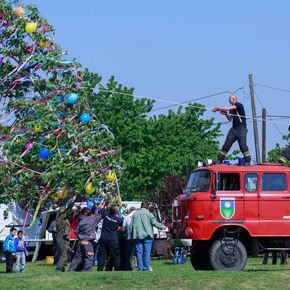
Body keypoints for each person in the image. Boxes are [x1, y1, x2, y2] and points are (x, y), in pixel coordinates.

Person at [212, 95, 251, 165]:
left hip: (242, 128)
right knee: (226, 145)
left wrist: (218, 108)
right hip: (234, 128)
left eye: (230, 99)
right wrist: (226, 114)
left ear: (234, 99)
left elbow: (227, 108)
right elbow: (230, 119)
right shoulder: (232, 109)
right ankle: (219, 160)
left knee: (242, 146)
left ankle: (248, 161)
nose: (229, 101)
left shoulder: (239, 105)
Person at [130, 201, 165, 271]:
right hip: (147, 235)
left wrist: (130, 235)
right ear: (147, 207)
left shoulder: (135, 214)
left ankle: (140, 267)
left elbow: (131, 226)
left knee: (139, 252)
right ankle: (147, 267)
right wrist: (162, 227)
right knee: (147, 252)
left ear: (141, 206)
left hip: (138, 235)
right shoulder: (149, 214)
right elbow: (155, 223)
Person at [69, 203, 102, 272]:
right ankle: (86, 270)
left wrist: (80, 237)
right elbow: (99, 216)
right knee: (89, 256)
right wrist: (98, 208)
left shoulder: (81, 221)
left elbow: (76, 231)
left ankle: (71, 270)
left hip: (81, 241)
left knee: (78, 257)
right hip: (88, 241)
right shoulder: (92, 220)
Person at [97, 205, 123, 271]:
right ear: (116, 211)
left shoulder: (106, 215)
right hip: (113, 240)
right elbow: (123, 228)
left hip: (103, 238)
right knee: (115, 256)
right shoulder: (119, 220)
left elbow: (101, 208)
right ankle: (117, 269)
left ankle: (100, 269)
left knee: (102, 255)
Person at [55, 196, 76, 272]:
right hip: (62, 237)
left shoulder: (60, 217)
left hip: (62, 237)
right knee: (64, 256)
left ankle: (62, 269)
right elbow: (69, 209)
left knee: (63, 254)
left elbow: (69, 212)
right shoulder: (61, 216)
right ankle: (59, 269)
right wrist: (72, 201)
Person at [121, 207, 136, 271]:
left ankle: (128, 267)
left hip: (129, 238)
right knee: (138, 253)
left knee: (129, 254)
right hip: (138, 237)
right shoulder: (138, 216)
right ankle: (139, 266)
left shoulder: (127, 217)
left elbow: (123, 229)